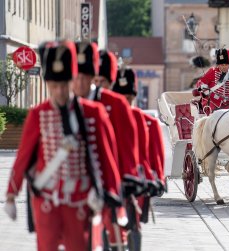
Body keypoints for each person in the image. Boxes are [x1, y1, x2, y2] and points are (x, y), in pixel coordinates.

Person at [4, 40, 121, 251]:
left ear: (71, 81)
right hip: (47, 198)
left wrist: (109, 192)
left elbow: (106, 157)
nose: (59, 91)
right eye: (54, 86)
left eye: (64, 85)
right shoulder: (38, 114)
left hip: (80, 199)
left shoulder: (94, 112)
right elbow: (24, 155)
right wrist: (11, 194)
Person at [73, 42, 142, 250]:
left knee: (112, 231)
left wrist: (128, 177)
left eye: (102, 80)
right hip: (77, 182)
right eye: (96, 80)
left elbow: (128, 147)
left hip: (114, 178)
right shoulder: (69, 104)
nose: (97, 84)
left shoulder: (117, 104)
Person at [112, 64, 166, 222]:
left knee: (134, 224)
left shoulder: (148, 122)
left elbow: (155, 156)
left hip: (138, 181)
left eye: (128, 98)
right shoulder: (105, 119)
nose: (125, 102)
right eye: (121, 98)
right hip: (112, 181)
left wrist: (158, 179)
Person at [194, 48, 229, 114]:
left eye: (226, 65)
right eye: (222, 65)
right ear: (218, 65)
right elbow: (200, 82)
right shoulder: (212, 72)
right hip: (212, 102)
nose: (224, 67)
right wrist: (203, 86)